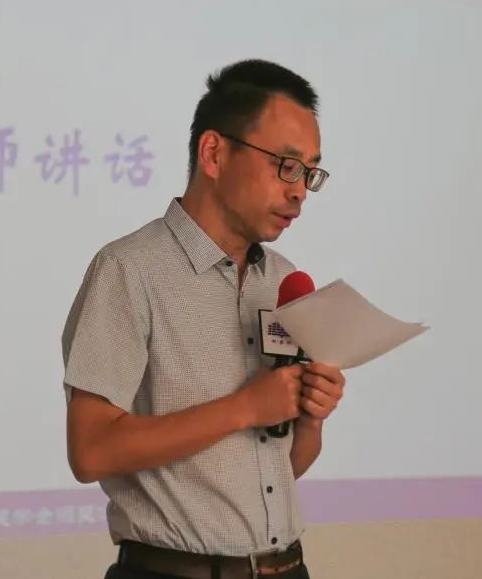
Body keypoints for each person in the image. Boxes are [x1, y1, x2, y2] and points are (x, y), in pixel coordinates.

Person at [61, 59, 346, 579]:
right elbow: (90, 450)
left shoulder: (282, 280)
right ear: (214, 153)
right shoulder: (129, 270)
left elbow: (280, 470)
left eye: (310, 172)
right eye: (286, 166)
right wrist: (245, 407)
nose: (299, 190)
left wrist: (310, 417)